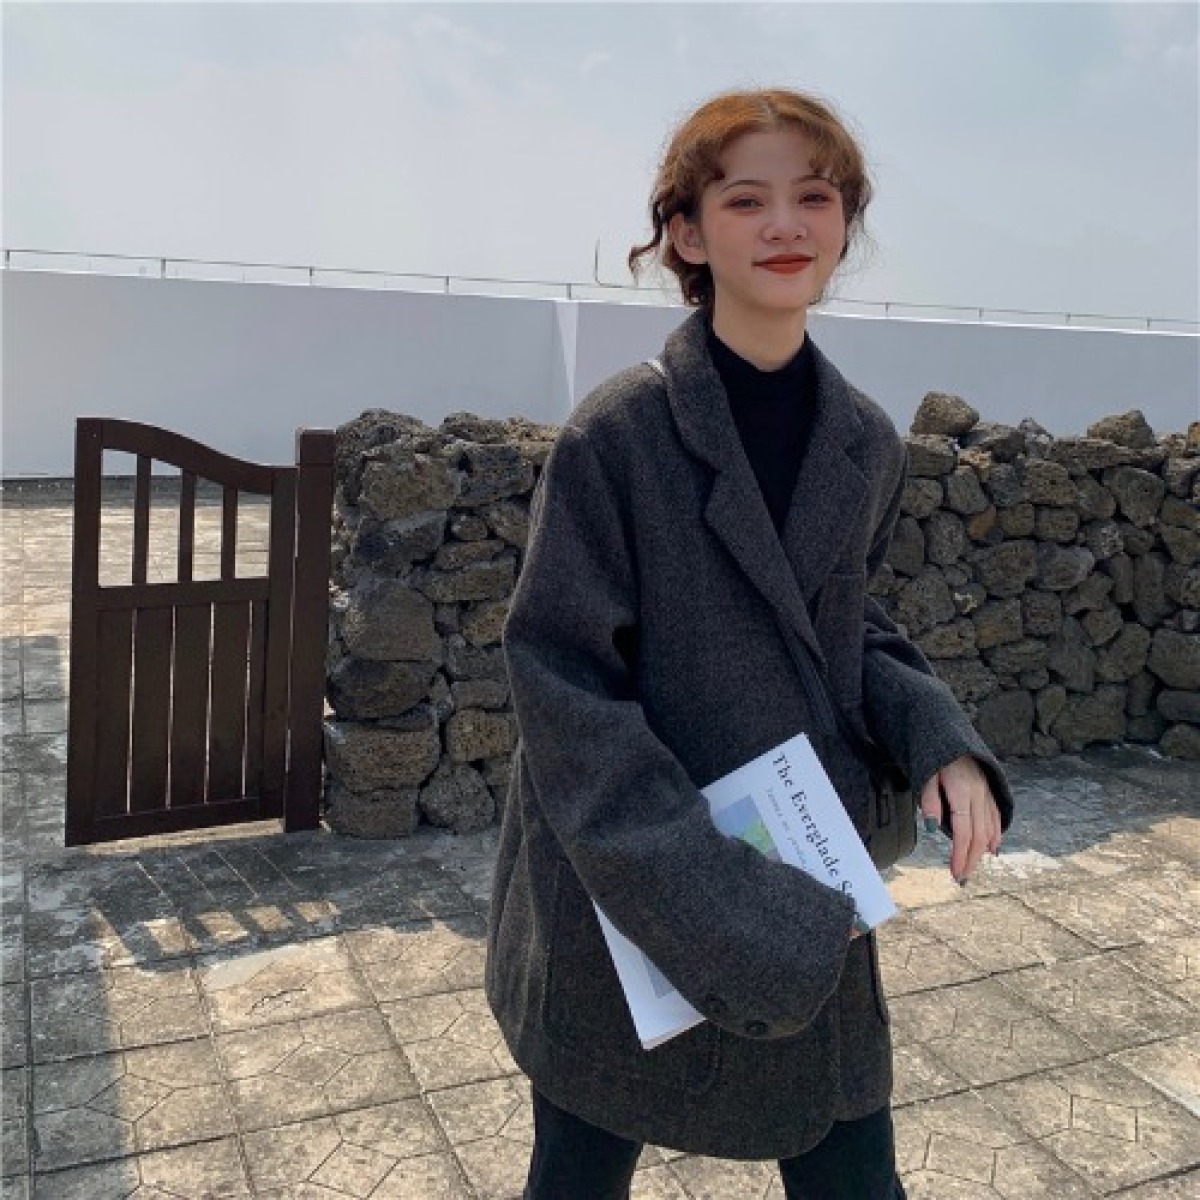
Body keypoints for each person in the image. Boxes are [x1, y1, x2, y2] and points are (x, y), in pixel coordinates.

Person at [485, 87, 1013, 1200]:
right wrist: (707, 893)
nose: (785, 225)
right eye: (745, 200)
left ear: (844, 224)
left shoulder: (865, 440)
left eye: (814, 197)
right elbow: (559, 675)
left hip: (803, 866)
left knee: (853, 1168)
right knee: (576, 1176)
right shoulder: (617, 434)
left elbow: (846, 623)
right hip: (627, 900)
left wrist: (940, 738)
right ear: (687, 233)